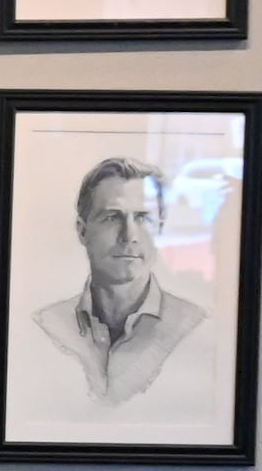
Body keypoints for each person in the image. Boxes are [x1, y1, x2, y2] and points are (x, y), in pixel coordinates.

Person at [35, 158, 208, 404]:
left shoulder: (195, 328)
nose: (129, 235)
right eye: (112, 217)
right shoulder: (45, 328)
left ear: (160, 230)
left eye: (143, 218)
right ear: (82, 231)